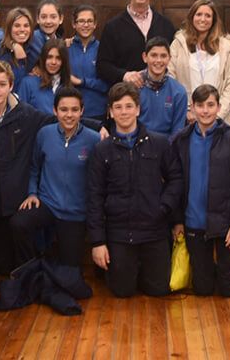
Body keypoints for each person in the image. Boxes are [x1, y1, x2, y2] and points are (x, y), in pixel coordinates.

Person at [0, 62, 103, 275]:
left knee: (22, 259)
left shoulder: (26, 114)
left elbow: (60, 119)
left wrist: (99, 126)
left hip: (17, 201)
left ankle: (31, 274)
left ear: (11, 85)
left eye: (2, 84)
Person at [87, 82, 183, 298]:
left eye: (129, 106)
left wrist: (165, 207)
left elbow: (176, 179)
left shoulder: (159, 144)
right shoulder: (102, 150)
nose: (124, 112)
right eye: (118, 107)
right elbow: (94, 197)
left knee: (158, 290)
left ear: (138, 109)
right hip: (120, 232)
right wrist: (98, 242)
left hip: (154, 230)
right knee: (122, 291)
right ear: (110, 112)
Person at [170, 84, 230, 297]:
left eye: (210, 105)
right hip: (193, 222)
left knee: (228, 290)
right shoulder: (181, 140)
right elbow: (175, 184)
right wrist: (177, 220)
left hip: (225, 224)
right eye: (200, 105)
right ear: (192, 108)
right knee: (203, 289)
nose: (205, 111)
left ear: (218, 107)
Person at [10, 87, 100, 268]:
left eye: (75, 110)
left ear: (82, 111)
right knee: (18, 224)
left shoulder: (94, 139)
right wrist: (32, 193)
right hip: (47, 204)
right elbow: (35, 167)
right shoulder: (44, 134)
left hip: (76, 213)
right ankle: (29, 270)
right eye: (64, 109)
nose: (69, 115)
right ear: (55, 111)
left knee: (70, 272)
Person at [97, 0, 176, 86]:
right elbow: (102, 65)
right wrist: (124, 75)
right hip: (126, 94)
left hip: (161, 92)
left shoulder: (166, 25)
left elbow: (173, 61)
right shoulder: (113, 26)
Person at [168, 0, 230, 124]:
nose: (203, 19)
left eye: (208, 16)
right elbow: (170, 79)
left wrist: (217, 114)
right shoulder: (178, 44)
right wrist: (186, 111)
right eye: (199, 14)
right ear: (191, 17)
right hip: (187, 118)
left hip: (219, 119)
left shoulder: (227, 47)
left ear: (213, 20)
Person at [138, 37, 187, 138]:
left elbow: (177, 131)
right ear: (145, 57)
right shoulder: (134, 87)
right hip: (137, 146)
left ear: (169, 58)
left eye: (163, 56)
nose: (159, 60)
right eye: (154, 55)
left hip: (167, 148)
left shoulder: (179, 92)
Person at [67, 5, 109, 122]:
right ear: (74, 24)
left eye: (89, 21)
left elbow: (106, 85)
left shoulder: (103, 49)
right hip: (70, 113)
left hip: (97, 112)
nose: (86, 25)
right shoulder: (65, 48)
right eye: (81, 21)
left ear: (95, 24)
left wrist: (82, 82)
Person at [16, 39, 72, 115]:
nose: (53, 62)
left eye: (58, 58)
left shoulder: (68, 87)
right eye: (49, 57)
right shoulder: (28, 83)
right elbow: (19, 115)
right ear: (43, 58)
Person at [0, 6, 34, 89]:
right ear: (9, 28)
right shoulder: (2, 53)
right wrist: (13, 45)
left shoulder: (33, 48)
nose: (22, 29)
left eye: (26, 26)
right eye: (17, 26)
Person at [28, 0, 64, 72]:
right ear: (38, 19)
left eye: (53, 17)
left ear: (61, 19)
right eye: (44, 17)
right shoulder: (30, 38)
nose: (48, 21)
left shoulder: (61, 42)